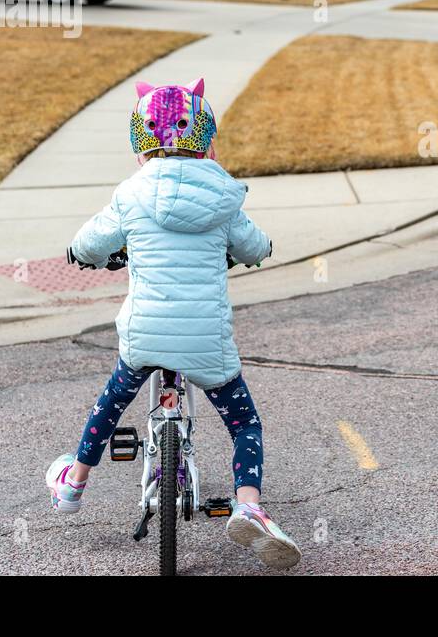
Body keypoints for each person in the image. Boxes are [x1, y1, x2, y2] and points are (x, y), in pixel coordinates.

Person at [44, 77, 300, 570]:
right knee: (243, 421)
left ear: (140, 143)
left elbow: (90, 242)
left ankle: (73, 483)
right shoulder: (224, 197)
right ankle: (249, 506)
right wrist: (260, 251)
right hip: (207, 341)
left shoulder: (131, 194)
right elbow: (253, 246)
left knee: (109, 404)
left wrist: (81, 253)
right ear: (204, 138)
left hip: (145, 335)